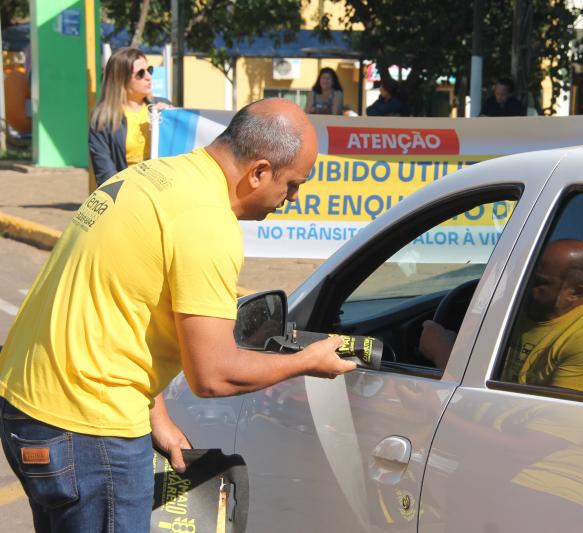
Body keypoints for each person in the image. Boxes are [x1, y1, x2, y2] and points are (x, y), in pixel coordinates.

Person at [0, 98, 357, 532]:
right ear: (259, 171)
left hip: (29, 406)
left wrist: (158, 415)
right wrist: (307, 361)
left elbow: (121, 308)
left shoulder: (157, 176)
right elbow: (213, 375)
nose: (292, 199)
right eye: (292, 185)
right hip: (89, 428)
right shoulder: (207, 222)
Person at [420, 239, 583, 399]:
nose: (520, 285)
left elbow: (540, 441)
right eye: (521, 274)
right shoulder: (519, 311)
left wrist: (441, 352)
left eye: (537, 281)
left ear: (577, 293)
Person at [88, 47, 171, 186]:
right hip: (128, 195)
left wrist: (171, 121)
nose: (149, 77)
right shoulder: (103, 119)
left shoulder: (163, 108)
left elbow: (179, 155)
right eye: (140, 73)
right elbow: (105, 174)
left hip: (162, 192)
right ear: (121, 79)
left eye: (149, 70)